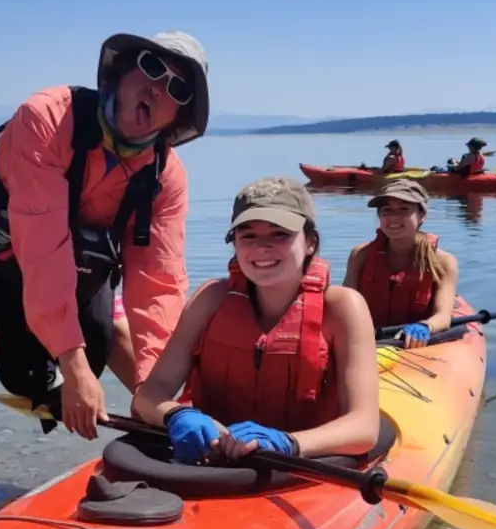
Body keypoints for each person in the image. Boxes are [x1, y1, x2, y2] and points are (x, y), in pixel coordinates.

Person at [0, 30, 210, 529]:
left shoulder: (166, 177)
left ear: (180, 117)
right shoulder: (46, 118)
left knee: (149, 368)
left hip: (76, 278)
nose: (157, 89)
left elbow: (158, 285)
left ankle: (192, 456)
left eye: (177, 88)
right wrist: (74, 367)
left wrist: (161, 396)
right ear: (121, 72)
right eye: (150, 67)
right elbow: (41, 246)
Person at [133, 176, 381, 464]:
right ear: (235, 243)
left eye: (279, 234)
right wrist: (175, 414)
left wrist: (288, 443)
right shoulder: (211, 299)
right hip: (209, 463)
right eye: (247, 236)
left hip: (302, 467)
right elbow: (150, 392)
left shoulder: (343, 308)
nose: (262, 248)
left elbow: (364, 427)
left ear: (311, 242)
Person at [343, 179, 458, 349]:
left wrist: (426, 326)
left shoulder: (443, 262)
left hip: (418, 344)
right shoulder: (360, 255)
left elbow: (443, 316)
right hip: (369, 340)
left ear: (422, 216)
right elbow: (345, 306)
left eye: (404, 209)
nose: (394, 217)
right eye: (387, 210)